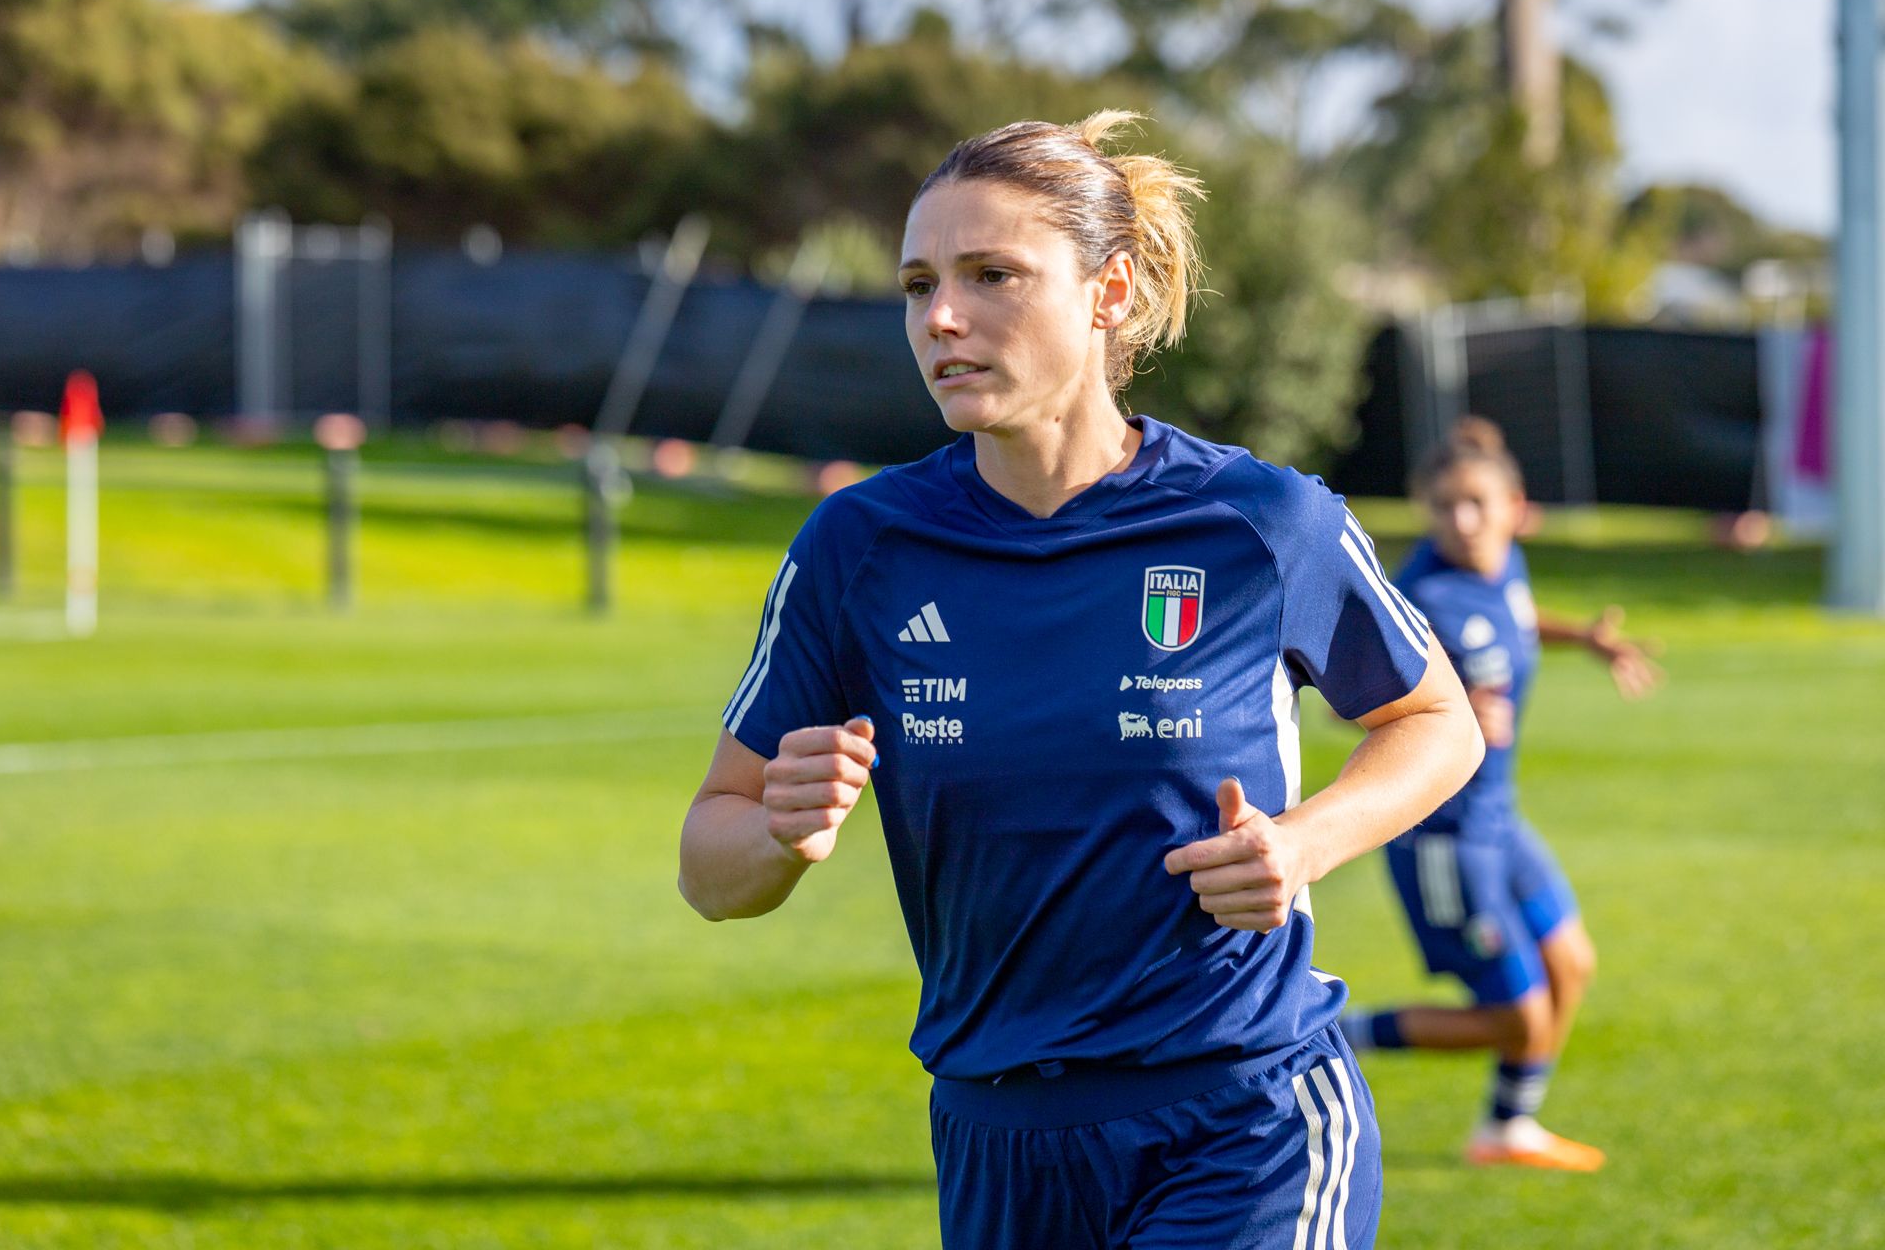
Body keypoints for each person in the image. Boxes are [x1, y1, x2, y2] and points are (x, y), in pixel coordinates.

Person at [678, 111, 1484, 1250]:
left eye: (992, 274)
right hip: (995, 1141)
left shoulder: (1259, 520)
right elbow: (710, 867)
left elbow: (1436, 719)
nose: (941, 316)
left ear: (1108, 294)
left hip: (1242, 1117)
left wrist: (1304, 844)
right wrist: (778, 829)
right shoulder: (860, 545)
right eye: (919, 284)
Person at [1341, 417, 1663, 1172]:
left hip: (1499, 818)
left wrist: (1585, 638)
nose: (1461, 520)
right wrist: (1446, 712)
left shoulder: (1503, 565)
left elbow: (1510, 623)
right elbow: (1343, 696)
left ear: (1515, 506)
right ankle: (1326, 1033)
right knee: (1519, 1020)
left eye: (1477, 503)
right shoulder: (1421, 596)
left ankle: (1507, 1129)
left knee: (1571, 965)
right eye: (1444, 505)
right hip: (1445, 836)